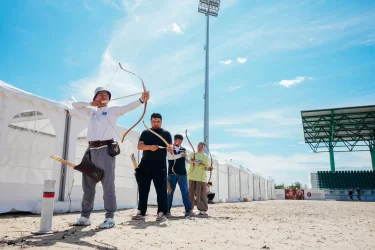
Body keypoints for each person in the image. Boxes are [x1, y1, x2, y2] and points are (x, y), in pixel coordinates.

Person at [70, 86, 149, 229]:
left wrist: (141, 100)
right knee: (88, 185)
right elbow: (74, 105)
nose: (104, 96)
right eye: (100, 94)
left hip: (106, 151)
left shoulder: (112, 110)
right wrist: (90, 103)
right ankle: (85, 216)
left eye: (106, 94)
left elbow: (127, 107)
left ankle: (110, 217)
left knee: (108, 184)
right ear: (95, 98)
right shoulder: (91, 111)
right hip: (91, 150)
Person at [132, 113, 173, 222]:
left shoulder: (166, 133)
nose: (156, 123)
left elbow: (170, 147)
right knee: (143, 188)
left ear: (161, 122)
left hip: (160, 165)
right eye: (154, 121)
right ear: (150, 121)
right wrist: (150, 147)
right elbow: (139, 146)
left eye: (158, 121)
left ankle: (161, 213)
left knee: (161, 189)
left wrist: (170, 148)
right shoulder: (145, 132)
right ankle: (141, 211)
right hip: (145, 163)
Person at [166, 134, 191, 217]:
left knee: (185, 192)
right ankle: (167, 210)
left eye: (180, 141)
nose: (178, 142)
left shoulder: (183, 149)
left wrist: (193, 161)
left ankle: (188, 210)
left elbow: (187, 160)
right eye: (177, 140)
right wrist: (181, 155)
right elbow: (169, 157)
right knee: (170, 192)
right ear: (174, 140)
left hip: (182, 174)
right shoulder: (170, 148)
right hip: (172, 173)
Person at [187, 142, 211, 216]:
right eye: (198, 146)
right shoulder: (193, 154)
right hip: (192, 177)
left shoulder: (206, 157)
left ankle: (203, 210)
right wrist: (193, 160)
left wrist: (209, 168)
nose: (199, 147)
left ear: (204, 148)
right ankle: (189, 209)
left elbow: (207, 167)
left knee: (201, 195)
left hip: (201, 179)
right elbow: (188, 161)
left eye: (201, 147)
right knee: (190, 194)